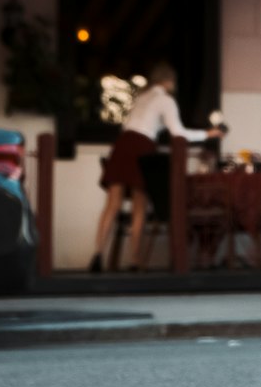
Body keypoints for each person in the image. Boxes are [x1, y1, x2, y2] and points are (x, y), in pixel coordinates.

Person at [88, 63, 222, 271]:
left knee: (112, 204)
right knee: (139, 206)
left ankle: (97, 254)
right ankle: (134, 259)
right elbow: (178, 133)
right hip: (142, 147)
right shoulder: (165, 100)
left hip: (122, 145)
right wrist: (208, 134)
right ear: (169, 81)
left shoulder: (141, 97)